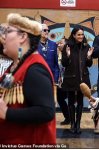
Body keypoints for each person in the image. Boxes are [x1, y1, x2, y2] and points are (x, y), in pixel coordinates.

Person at [0, 13, 56, 145]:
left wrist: (7, 113)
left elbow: (46, 111)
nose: (3, 37)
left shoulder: (34, 69)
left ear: (23, 36)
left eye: (8, 31)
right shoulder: (17, 66)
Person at [61, 26, 94, 134]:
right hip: (71, 78)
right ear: (74, 35)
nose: (81, 36)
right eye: (78, 34)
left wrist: (89, 57)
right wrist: (68, 56)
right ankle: (72, 124)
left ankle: (78, 124)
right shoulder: (68, 46)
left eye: (82, 34)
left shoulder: (86, 46)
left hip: (83, 78)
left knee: (80, 101)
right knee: (71, 101)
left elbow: (89, 64)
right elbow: (64, 64)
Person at [57, 37, 71, 125]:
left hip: (69, 83)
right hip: (60, 83)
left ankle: (72, 120)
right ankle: (67, 118)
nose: (58, 45)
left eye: (61, 43)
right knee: (60, 98)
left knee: (70, 100)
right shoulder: (59, 55)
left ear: (66, 44)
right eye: (58, 43)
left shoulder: (69, 54)